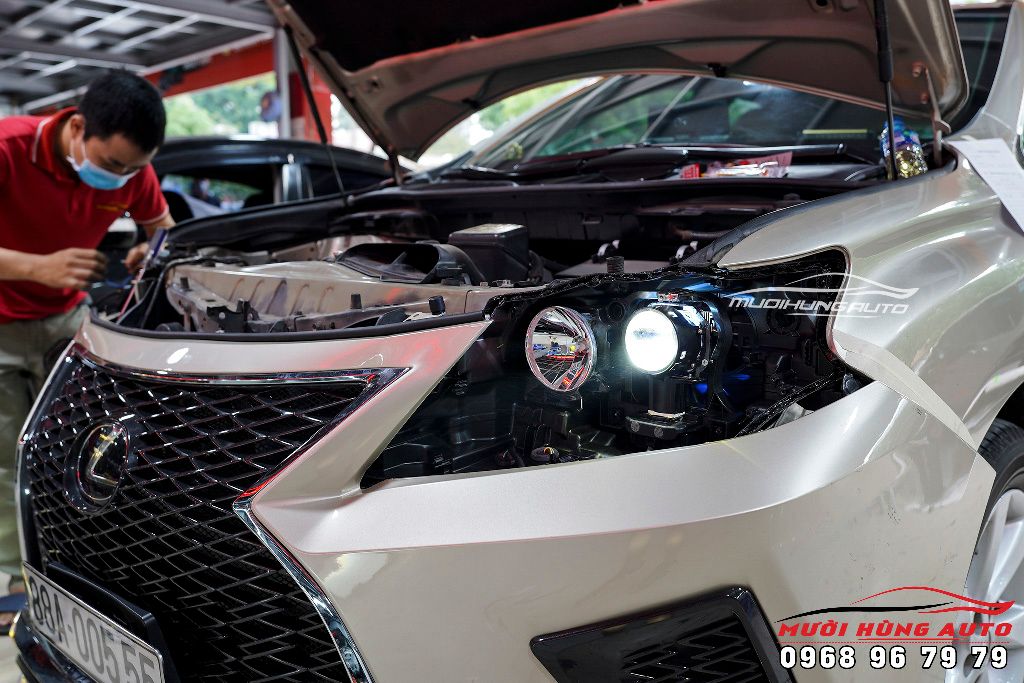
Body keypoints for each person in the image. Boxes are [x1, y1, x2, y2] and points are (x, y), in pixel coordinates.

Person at [0, 71, 174, 623]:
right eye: (113, 164)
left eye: (132, 169)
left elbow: (162, 227)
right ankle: (15, 580)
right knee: (5, 458)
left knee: (76, 452)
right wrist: (36, 267)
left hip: (69, 322)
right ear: (77, 127)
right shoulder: (7, 149)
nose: (120, 179)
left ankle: (73, 562)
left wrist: (149, 251)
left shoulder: (132, 169)